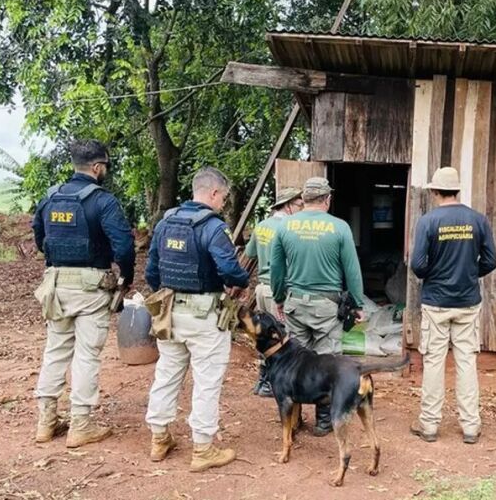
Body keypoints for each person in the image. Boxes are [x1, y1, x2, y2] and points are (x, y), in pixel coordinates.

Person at [144, 167, 250, 472]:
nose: (224, 204)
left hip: (169, 313)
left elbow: (152, 270)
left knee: (167, 374)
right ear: (214, 193)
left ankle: (159, 438)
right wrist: (240, 280)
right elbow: (230, 270)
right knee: (206, 381)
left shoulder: (166, 222)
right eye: (224, 198)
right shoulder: (214, 227)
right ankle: (203, 449)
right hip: (204, 315)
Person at [32, 139, 135, 448]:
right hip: (91, 286)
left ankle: (46, 422)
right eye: (105, 167)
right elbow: (124, 245)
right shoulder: (102, 201)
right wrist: (125, 276)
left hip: (55, 283)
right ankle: (80, 425)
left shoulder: (50, 197)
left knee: (55, 350)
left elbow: (39, 236)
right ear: (97, 167)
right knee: (87, 354)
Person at [409, 167, 496, 445]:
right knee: (466, 363)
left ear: (435, 191)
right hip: (468, 303)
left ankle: (430, 425)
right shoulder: (477, 220)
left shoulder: (428, 221)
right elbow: (491, 260)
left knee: (434, 362)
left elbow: (417, 265)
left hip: (436, 302)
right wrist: (469, 273)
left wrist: (434, 276)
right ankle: (471, 426)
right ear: (457, 190)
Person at [269, 176, 365, 436]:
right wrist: (356, 303)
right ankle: (324, 421)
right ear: (327, 199)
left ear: (303, 200)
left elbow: (276, 269)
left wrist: (279, 297)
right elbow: (352, 271)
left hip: (295, 303)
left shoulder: (285, 226)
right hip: (327, 307)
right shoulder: (340, 227)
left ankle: (295, 419)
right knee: (327, 363)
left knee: (295, 363)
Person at [244, 187, 303, 396]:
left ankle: (262, 381)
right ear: (287, 206)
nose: (301, 208)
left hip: (261, 288)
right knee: (281, 337)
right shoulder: (290, 227)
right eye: (298, 204)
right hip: (279, 289)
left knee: (263, 336)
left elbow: (250, 253)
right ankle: (274, 382)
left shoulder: (261, 226)